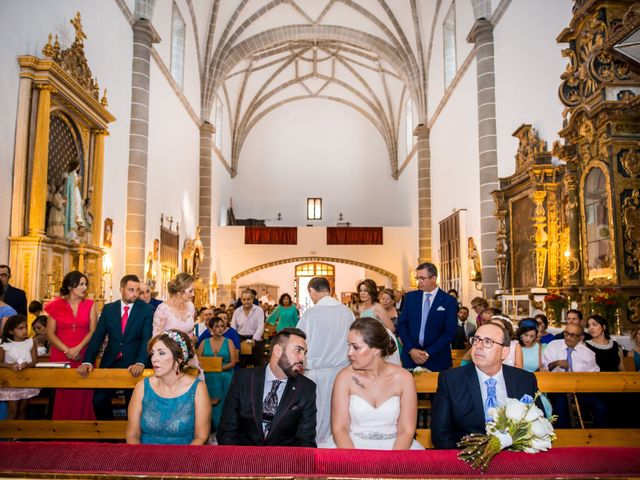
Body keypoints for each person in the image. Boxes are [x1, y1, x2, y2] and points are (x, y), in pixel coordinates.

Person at [431, 322, 539, 449]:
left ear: (504, 352)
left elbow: (537, 426)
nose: (478, 346)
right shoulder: (451, 380)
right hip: (467, 457)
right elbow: (440, 434)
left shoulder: (525, 380)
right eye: (476, 340)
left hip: (514, 457)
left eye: (488, 342)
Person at [322, 317, 423, 450]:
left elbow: (406, 431)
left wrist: (391, 466)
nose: (349, 353)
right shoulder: (344, 377)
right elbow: (340, 429)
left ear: (376, 349)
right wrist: (356, 464)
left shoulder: (404, 378)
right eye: (349, 345)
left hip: (397, 448)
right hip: (350, 448)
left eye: (356, 347)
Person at [217, 327, 317, 447]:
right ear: (277, 351)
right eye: (298, 350)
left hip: (282, 461)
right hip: (243, 458)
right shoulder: (243, 379)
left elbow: (305, 440)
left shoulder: (306, 388)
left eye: (304, 353)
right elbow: (227, 430)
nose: (302, 358)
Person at [77, 274, 155, 420]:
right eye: (131, 290)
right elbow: (98, 337)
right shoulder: (109, 309)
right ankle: (109, 437)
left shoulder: (147, 310)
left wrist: (140, 362)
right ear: (121, 289)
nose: (135, 294)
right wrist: (87, 361)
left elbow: (147, 339)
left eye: (137, 290)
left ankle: (130, 437)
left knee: (132, 403)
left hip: (134, 364)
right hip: (111, 362)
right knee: (99, 400)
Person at [126, 330, 210, 444]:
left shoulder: (198, 389)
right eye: (152, 353)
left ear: (179, 358)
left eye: (161, 353)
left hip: (184, 457)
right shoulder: (142, 387)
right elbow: (132, 435)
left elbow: (201, 437)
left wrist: (182, 460)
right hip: (146, 456)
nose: (154, 359)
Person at [297, 276, 354, 445]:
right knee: (339, 415)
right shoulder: (347, 312)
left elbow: (299, 341)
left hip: (316, 374)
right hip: (342, 373)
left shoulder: (311, 313)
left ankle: (318, 453)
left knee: (317, 416)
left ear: (312, 291)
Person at [44, 270, 97, 420]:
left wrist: (78, 349)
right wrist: (68, 350)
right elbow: (50, 333)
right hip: (61, 354)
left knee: (84, 393)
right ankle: (60, 432)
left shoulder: (90, 305)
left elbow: (93, 331)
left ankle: (85, 432)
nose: (85, 287)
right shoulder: (55, 306)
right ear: (69, 286)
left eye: (85, 284)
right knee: (62, 393)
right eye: (81, 284)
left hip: (83, 354)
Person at [397, 262, 458, 371]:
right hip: (411, 357)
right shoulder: (410, 298)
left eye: (422, 278)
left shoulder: (449, 301)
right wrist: (411, 349)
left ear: (433, 278)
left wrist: (428, 353)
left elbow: (450, 332)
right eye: (417, 278)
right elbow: (402, 325)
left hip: (437, 358)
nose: (419, 281)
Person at [542, 323, 600, 427]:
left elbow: (594, 376)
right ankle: (564, 438)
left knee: (600, 407)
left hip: (581, 390)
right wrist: (555, 363)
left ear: (581, 338)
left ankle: (599, 438)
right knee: (561, 406)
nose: (568, 337)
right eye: (566, 333)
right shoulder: (553, 346)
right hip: (557, 388)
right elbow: (544, 369)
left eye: (572, 335)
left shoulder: (588, 354)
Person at [197, 316, 237, 430]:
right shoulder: (204, 343)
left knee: (224, 377)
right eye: (217, 326)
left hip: (225, 372)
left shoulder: (229, 342)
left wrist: (220, 368)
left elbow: (233, 362)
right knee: (209, 378)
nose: (220, 329)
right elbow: (199, 361)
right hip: (208, 373)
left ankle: (223, 422)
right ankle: (210, 422)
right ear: (211, 329)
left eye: (222, 326)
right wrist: (210, 367)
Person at [0, 315, 40, 419]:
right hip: (11, 382)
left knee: (23, 409)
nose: (25, 330)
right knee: (13, 410)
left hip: (26, 380)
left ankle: (19, 434)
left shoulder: (31, 342)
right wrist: (9, 365)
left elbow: (35, 361)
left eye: (26, 327)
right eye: (20, 328)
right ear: (11, 331)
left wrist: (28, 364)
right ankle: (9, 434)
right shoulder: (5, 345)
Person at [357, 279, 400, 365]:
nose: (362, 293)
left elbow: (391, 328)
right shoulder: (361, 308)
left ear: (371, 291)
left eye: (365, 290)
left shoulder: (378, 308)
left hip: (379, 345)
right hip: (366, 344)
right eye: (360, 290)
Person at [231, 288, 265, 368]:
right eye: (244, 299)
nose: (246, 302)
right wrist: (236, 341)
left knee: (258, 366)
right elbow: (233, 327)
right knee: (241, 365)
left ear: (252, 299)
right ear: (241, 300)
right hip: (241, 340)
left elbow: (260, 327)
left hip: (256, 340)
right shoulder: (237, 311)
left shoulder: (259, 310)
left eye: (248, 299)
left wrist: (254, 339)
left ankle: (258, 380)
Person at [63, 160, 86, 242]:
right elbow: (72, 185)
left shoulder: (74, 175)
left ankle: (76, 229)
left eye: (79, 166)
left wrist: (78, 180)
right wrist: (78, 180)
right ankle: (71, 231)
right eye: (78, 166)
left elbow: (75, 185)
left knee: (78, 208)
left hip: (76, 193)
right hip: (73, 194)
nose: (79, 167)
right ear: (75, 166)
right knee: (74, 209)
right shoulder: (71, 175)